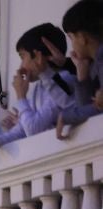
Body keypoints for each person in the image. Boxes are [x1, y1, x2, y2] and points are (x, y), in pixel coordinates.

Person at [0, 23, 76, 153]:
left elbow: (33, 129)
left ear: (37, 56)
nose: (21, 66)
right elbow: (21, 130)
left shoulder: (66, 79)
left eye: (23, 57)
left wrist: (21, 96)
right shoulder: (38, 88)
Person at [58, 0, 103, 133]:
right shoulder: (95, 65)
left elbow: (98, 109)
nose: (72, 45)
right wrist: (82, 76)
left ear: (82, 38)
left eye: (71, 38)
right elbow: (85, 109)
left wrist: (65, 116)